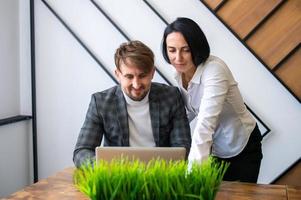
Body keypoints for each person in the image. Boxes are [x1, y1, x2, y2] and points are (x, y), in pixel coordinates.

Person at [162, 17, 263, 183]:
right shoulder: (179, 73)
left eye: (185, 50)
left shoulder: (215, 70)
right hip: (215, 148)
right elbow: (189, 111)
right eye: (172, 50)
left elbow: (205, 122)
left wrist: (191, 178)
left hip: (242, 146)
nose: (178, 58)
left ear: (197, 47)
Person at [73, 40, 191, 168]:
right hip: (119, 176)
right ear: (118, 75)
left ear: (152, 73)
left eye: (142, 75)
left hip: (161, 174)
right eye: (129, 77)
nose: (136, 84)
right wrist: (107, 168)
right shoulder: (101, 103)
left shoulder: (171, 97)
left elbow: (183, 147)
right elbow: (81, 152)